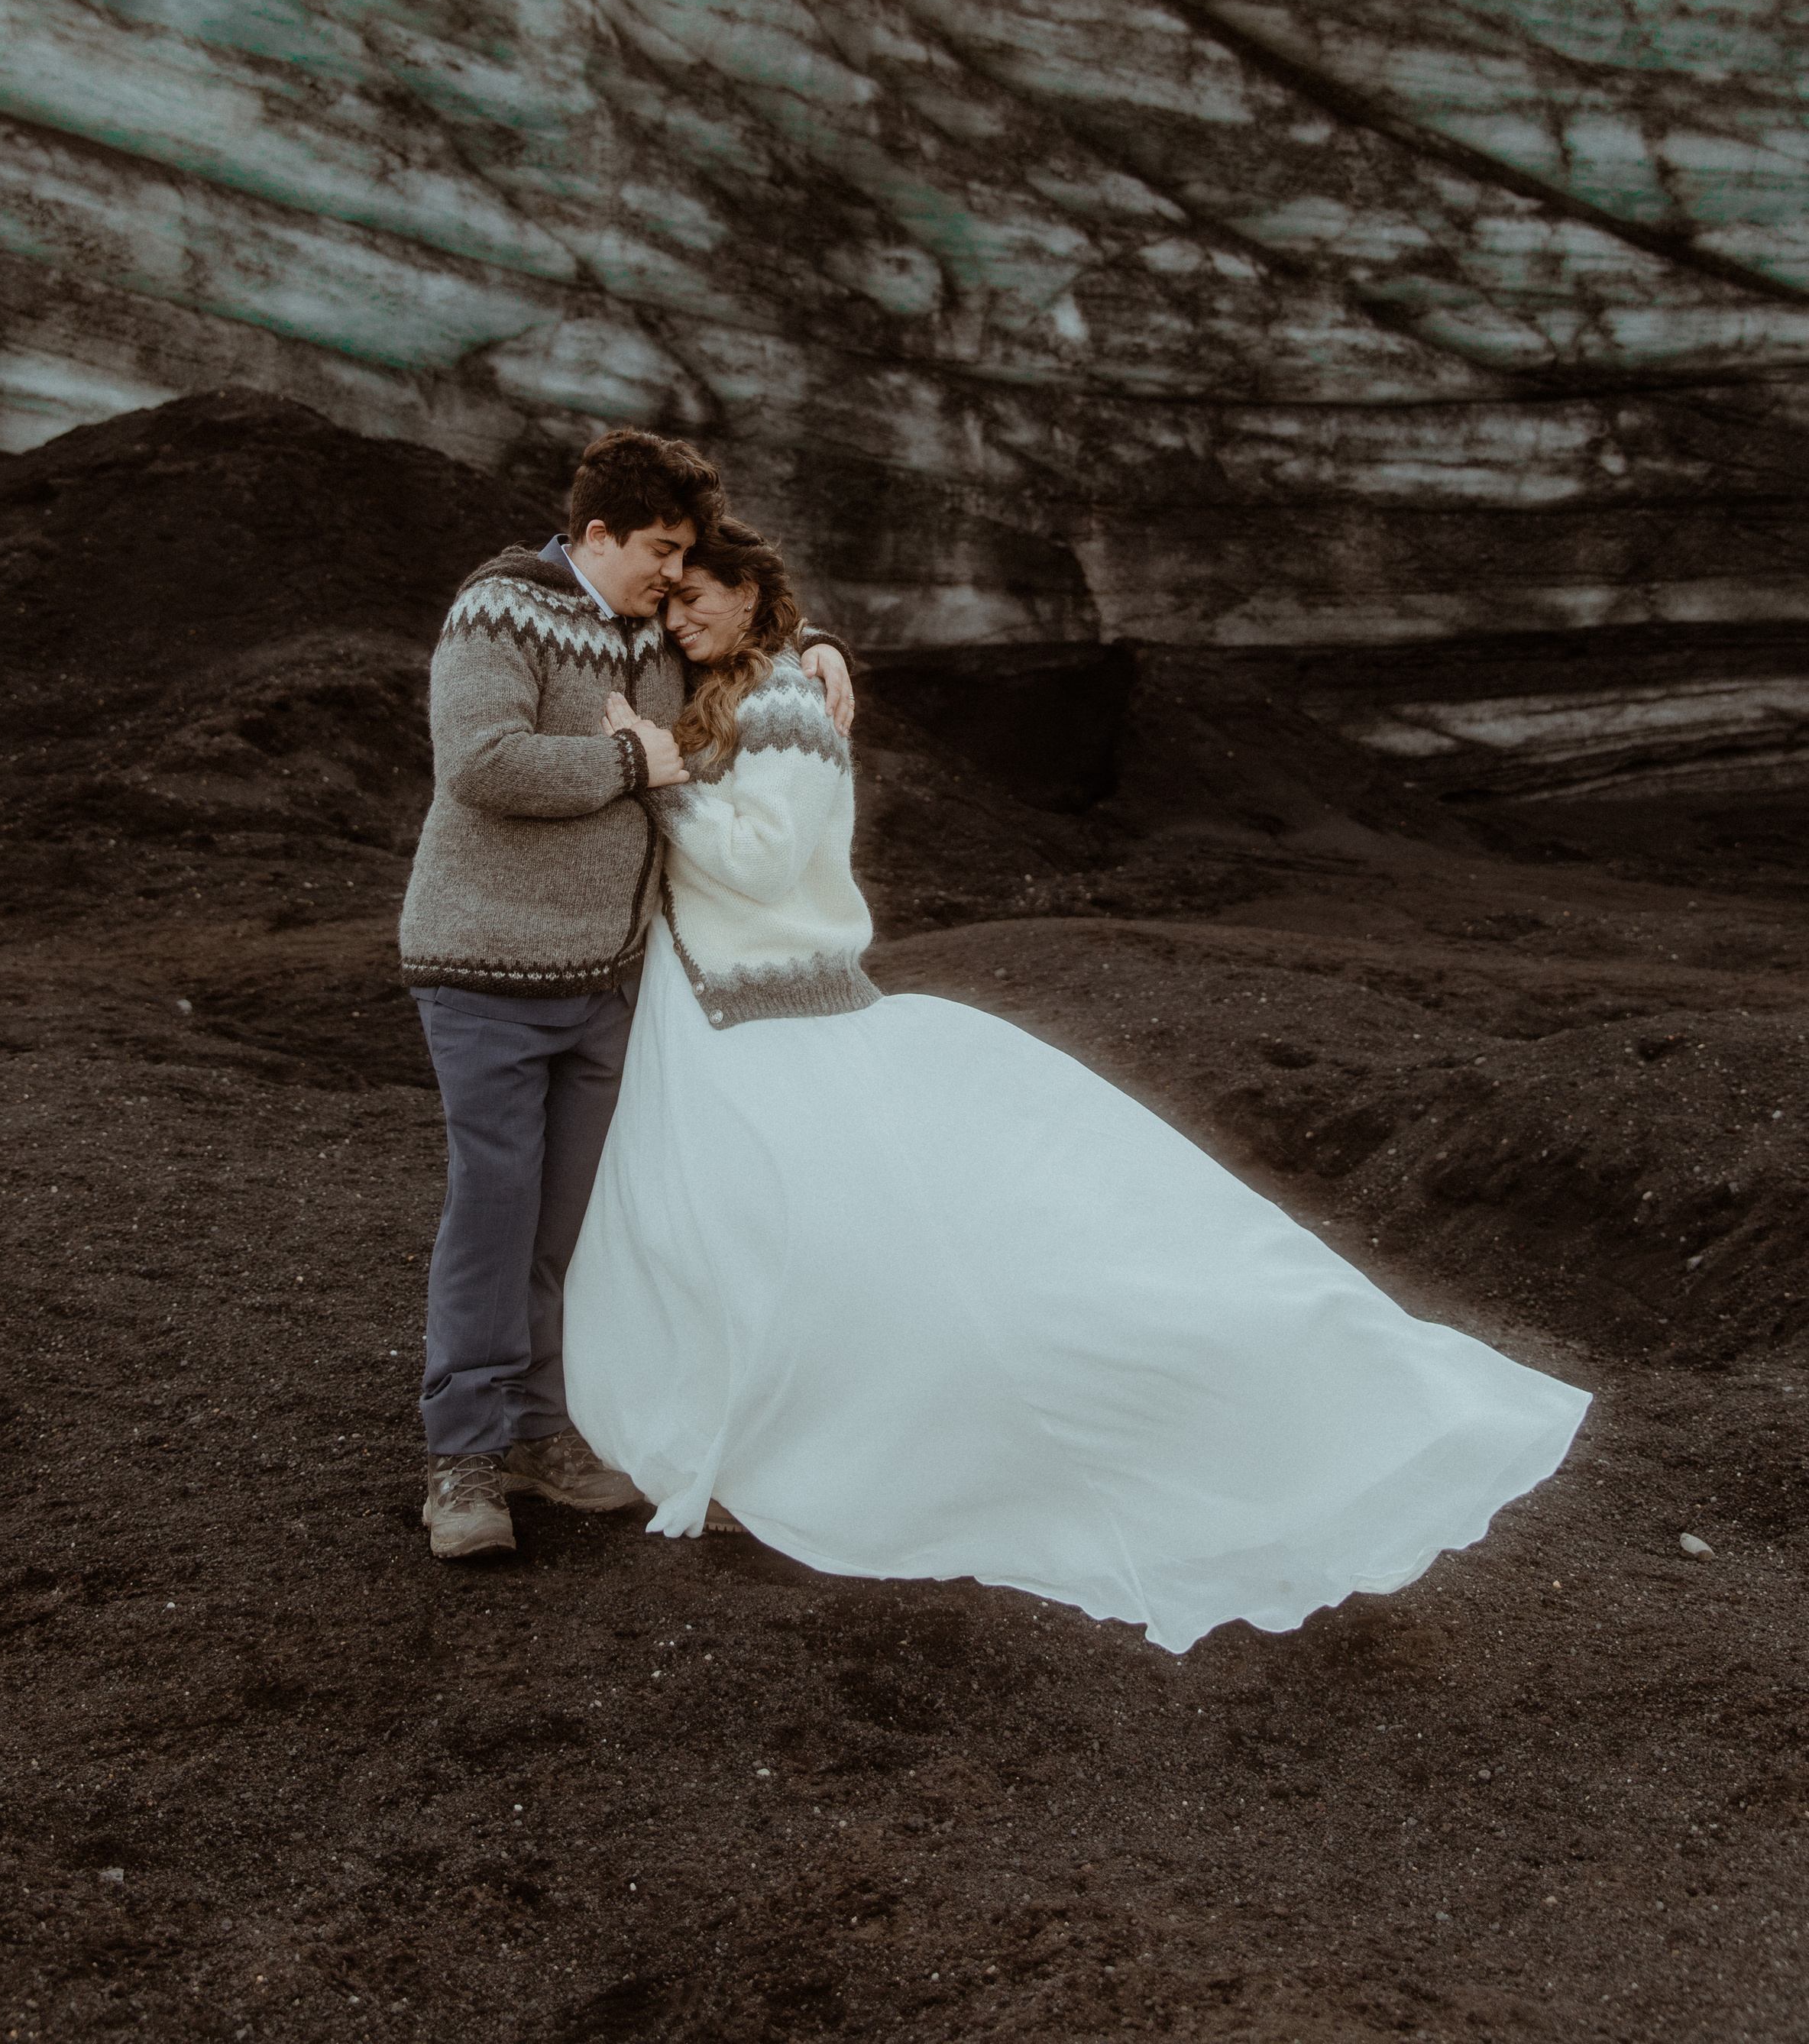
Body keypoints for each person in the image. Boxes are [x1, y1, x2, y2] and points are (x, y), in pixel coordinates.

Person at [564, 516, 1591, 1654]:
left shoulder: (793, 709)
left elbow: (760, 862)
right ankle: (754, 1420)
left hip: (779, 1008)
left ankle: (1217, 1391)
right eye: (666, 604)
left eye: (696, 597)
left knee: (878, 1245)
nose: (675, 618)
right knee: (727, 1230)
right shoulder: (728, 679)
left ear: (753, 599)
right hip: (715, 1012)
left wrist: (661, 780)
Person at [397, 431, 854, 1560]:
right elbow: (483, 761)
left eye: (683, 552)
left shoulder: (650, 626)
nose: (671, 571)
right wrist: (633, 766)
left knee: (570, 1226)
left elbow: (739, 627)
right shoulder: (500, 612)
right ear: (596, 534)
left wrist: (821, 645)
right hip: (488, 970)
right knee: (495, 1210)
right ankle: (463, 1459)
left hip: (607, 982)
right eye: (659, 547)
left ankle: (541, 1433)